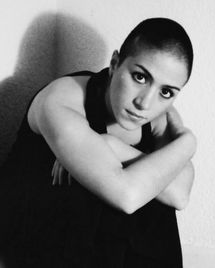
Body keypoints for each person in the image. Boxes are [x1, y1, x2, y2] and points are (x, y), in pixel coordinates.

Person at [0, 17, 196, 267]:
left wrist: (112, 146)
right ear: (115, 63)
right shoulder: (61, 100)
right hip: (30, 223)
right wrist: (186, 142)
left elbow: (179, 195)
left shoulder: (158, 113)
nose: (145, 103)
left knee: (153, 189)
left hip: (92, 237)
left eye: (166, 92)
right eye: (139, 77)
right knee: (124, 186)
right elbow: (127, 196)